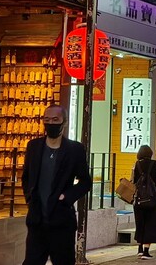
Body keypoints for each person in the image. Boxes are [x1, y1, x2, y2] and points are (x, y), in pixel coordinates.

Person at [21, 105, 93, 265]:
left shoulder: (75, 149)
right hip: (37, 221)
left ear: (64, 122)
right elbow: (26, 177)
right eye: (47, 120)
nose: (50, 123)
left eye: (55, 120)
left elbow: (85, 182)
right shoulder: (34, 147)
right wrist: (30, 198)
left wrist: (66, 197)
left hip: (61, 222)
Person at [133, 145, 156, 260]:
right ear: (151, 153)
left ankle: (139, 250)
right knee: (151, 224)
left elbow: (133, 180)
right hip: (152, 199)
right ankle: (146, 252)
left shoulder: (136, 165)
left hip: (139, 200)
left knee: (140, 223)